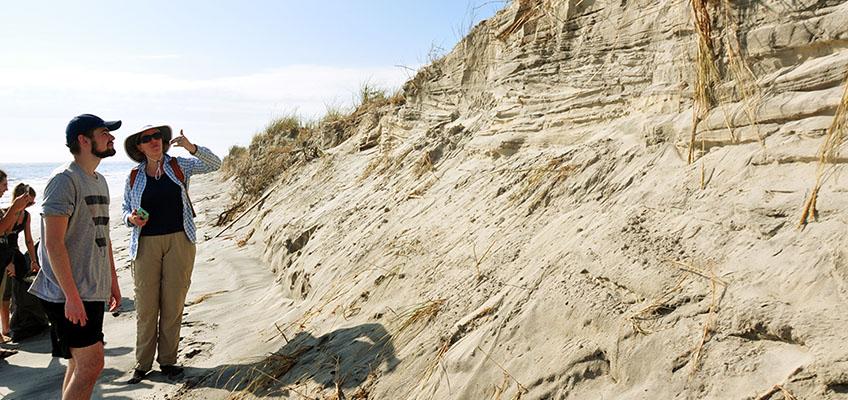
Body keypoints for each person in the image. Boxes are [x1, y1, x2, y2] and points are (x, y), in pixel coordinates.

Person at [29, 114, 123, 399]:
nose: (111, 137)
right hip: (66, 294)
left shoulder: (99, 181)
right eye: (104, 132)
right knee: (92, 364)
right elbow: (53, 244)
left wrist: (112, 281)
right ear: (84, 140)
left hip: (90, 289)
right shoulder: (64, 180)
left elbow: (103, 236)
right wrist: (71, 295)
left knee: (79, 363)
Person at [122, 125, 221, 384]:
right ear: (139, 147)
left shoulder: (179, 166)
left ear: (164, 142)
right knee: (146, 307)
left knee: (173, 304)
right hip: (145, 246)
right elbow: (124, 209)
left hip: (180, 240)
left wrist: (191, 147)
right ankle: (142, 364)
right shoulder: (133, 175)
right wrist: (131, 218)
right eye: (147, 138)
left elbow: (215, 164)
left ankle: (167, 361)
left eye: (158, 137)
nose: (154, 141)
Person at [1, 184, 39, 340]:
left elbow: (29, 240)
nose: (30, 204)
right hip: (4, 253)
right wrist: (7, 262)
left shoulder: (27, 215)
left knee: (24, 285)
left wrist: (33, 261)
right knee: (5, 293)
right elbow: (5, 237)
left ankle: (20, 317)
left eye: (31, 202)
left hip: (15, 252)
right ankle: (5, 328)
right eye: (28, 201)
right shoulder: (6, 213)